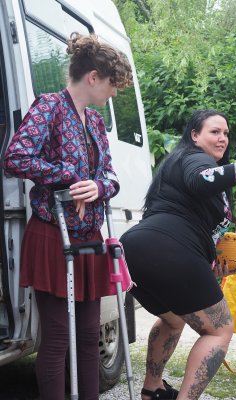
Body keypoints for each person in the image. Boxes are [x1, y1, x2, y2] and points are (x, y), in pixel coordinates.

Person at [120, 109, 236, 400]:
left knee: (173, 320)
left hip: (133, 251)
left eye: (226, 133)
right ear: (195, 135)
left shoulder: (176, 163)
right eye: (214, 132)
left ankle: (152, 389)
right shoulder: (195, 159)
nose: (222, 138)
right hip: (171, 250)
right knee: (219, 330)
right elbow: (202, 180)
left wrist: (210, 261)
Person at [2, 32, 132, 400]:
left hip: (89, 238)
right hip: (52, 234)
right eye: (112, 84)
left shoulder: (95, 123)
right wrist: (70, 177)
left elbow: (110, 176)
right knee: (58, 337)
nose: (114, 93)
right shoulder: (49, 107)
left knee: (89, 336)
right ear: (93, 77)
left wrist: (98, 187)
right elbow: (15, 158)